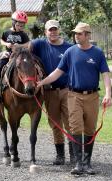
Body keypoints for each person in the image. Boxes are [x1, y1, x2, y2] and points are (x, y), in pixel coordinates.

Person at [37, 22, 112, 175]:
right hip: (73, 96)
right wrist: (42, 83)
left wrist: (108, 93)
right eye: (75, 33)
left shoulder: (97, 53)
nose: (76, 36)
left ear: (87, 35)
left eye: (79, 33)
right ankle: (78, 164)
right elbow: (57, 72)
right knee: (75, 127)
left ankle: (87, 163)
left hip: (92, 96)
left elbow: (105, 75)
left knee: (90, 128)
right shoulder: (70, 52)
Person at [29, 20, 74, 165]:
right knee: (55, 124)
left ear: (59, 30)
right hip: (49, 92)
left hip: (67, 90)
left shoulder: (69, 47)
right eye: (50, 30)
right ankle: (60, 156)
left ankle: (74, 155)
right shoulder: (40, 45)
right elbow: (25, 48)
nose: (53, 32)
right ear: (45, 32)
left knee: (70, 123)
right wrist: (10, 47)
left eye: (55, 29)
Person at [0, 10, 29, 102]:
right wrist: (6, 44)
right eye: (19, 25)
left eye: (22, 26)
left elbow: (28, 44)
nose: (20, 27)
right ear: (13, 23)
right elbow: (2, 40)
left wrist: (19, 46)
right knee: (0, 63)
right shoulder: (7, 32)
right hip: (9, 54)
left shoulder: (23, 34)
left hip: (20, 55)